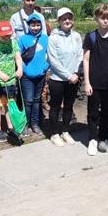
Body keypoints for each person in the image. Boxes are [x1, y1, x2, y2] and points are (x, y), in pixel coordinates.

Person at [82, 3, 108, 156]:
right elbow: (85, 60)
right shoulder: (91, 36)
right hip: (94, 82)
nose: (105, 21)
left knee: (106, 112)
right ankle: (92, 139)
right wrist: (87, 82)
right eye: (102, 18)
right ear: (97, 18)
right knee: (93, 113)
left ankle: (103, 139)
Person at [46, 8, 82, 145]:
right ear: (59, 21)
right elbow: (53, 60)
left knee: (68, 106)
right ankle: (54, 134)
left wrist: (76, 73)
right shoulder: (53, 38)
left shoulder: (77, 36)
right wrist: (68, 75)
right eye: (64, 18)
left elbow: (80, 55)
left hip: (73, 79)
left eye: (69, 18)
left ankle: (65, 131)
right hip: (57, 80)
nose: (67, 21)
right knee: (55, 107)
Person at [0, 22, 24, 142]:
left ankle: (10, 127)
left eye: (8, 35)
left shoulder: (13, 42)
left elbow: (17, 56)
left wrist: (20, 68)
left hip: (10, 81)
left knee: (9, 105)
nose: (7, 37)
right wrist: (0, 74)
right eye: (4, 35)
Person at [16, 12, 48, 135]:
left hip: (40, 75)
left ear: (41, 25)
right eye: (33, 25)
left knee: (36, 100)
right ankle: (25, 125)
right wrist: (23, 69)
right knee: (28, 101)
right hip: (27, 76)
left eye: (37, 25)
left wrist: (46, 67)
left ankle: (35, 124)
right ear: (29, 26)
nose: (35, 27)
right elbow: (18, 55)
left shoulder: (45, 38)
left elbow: (50, 55)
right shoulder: (23, 39)